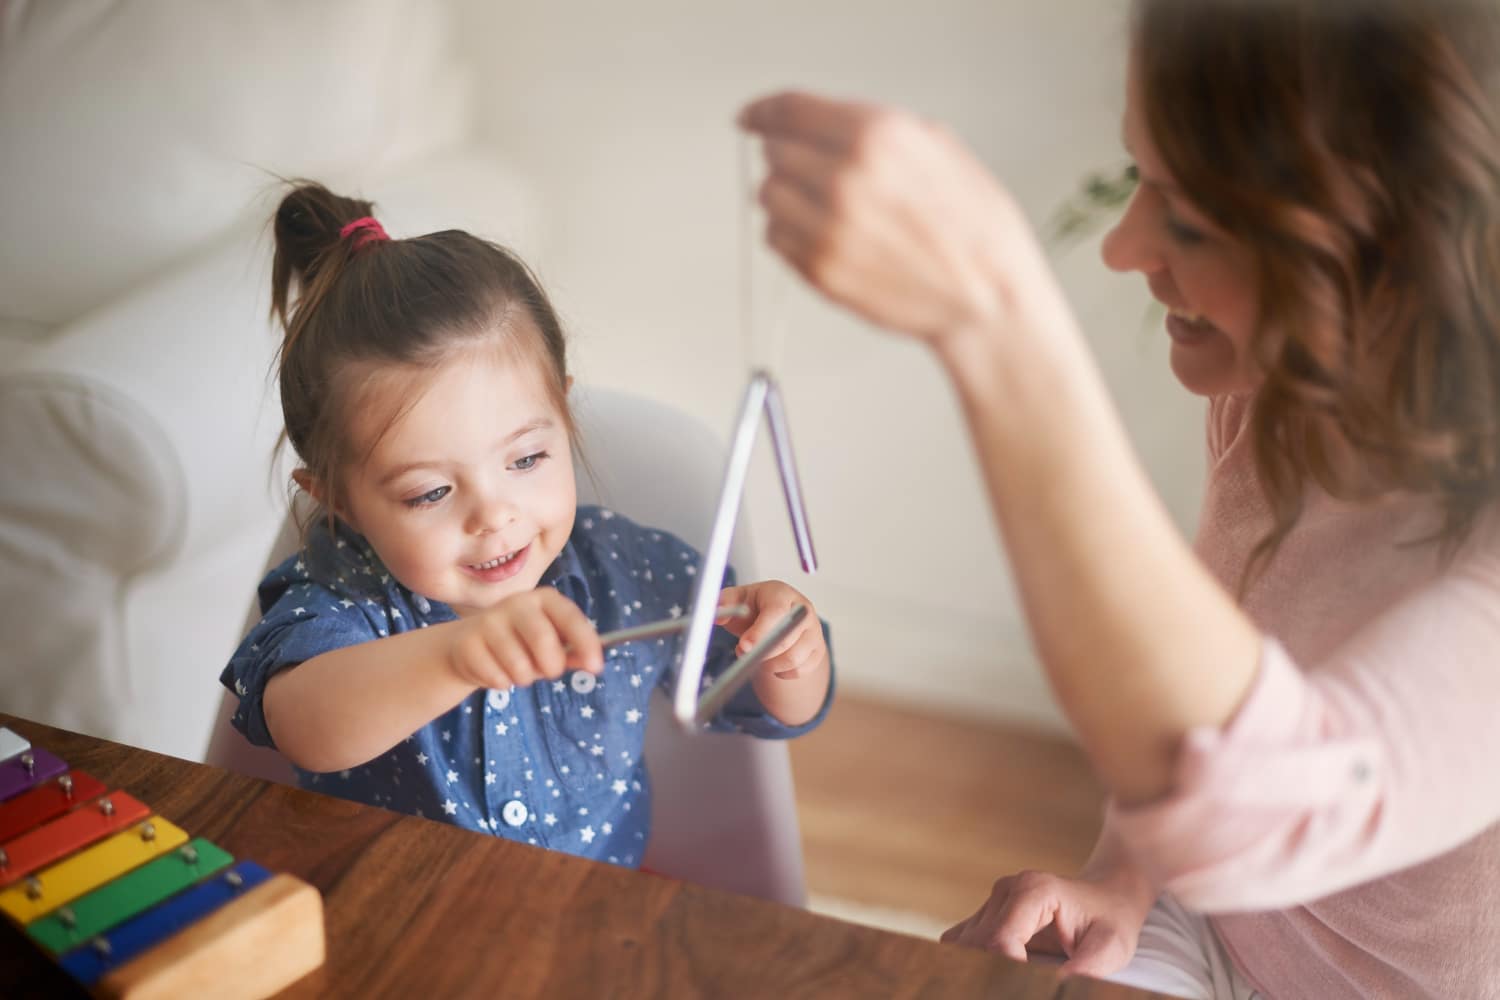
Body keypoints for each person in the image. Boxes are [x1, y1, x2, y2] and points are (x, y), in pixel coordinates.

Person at [740, 0, 1500, 997]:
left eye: (1186, 214)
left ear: (1396, 249)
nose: (1124, 245)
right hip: (1221, 928)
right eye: (1142, 177)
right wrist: (1124, 877)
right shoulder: (1282, 396)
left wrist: (996, 315)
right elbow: (1201, 682)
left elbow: (1272, 805)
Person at [220, 182, 833, 868]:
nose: (493, 514)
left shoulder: (630, 572)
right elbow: (306, 725)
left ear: (565, 420)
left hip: (583, 930)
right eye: (429, 493)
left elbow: (771, 703)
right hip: (387, 929)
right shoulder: (339, 594)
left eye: (527, 458)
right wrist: (457, 655)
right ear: (337, 501)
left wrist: (787, 650)